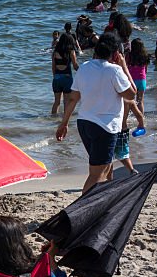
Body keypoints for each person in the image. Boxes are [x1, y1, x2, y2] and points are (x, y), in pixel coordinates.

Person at [55, 33, 136, 194]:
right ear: (115, 53)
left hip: (84, 123)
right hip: (104, 128)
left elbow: (73, 99)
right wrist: (124, 66)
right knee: (97, 174)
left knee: (106, 166)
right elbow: (131, 94)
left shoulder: (84, 67)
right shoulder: (115, 71)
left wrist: (64, 123)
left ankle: (105, 199)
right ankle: (81, 210)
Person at [51, 33, 79, 116]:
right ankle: (66, 121)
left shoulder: (55, 52)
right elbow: (75, 66)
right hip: (67, 79)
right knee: (66, 102)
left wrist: (55, 78)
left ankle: (52, 120)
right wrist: (84, 71)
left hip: (56, 79)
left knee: (56, 102)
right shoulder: (71, 52)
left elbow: (53, 68)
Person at [126, 38, 151, 114]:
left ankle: (127, 119)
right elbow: (145, 70)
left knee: (129, 101)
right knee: (140, 101)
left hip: (132, 80)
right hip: (142, 80)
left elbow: (125, 67)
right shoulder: (145, 56)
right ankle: (141, 119)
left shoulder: (129, 56)